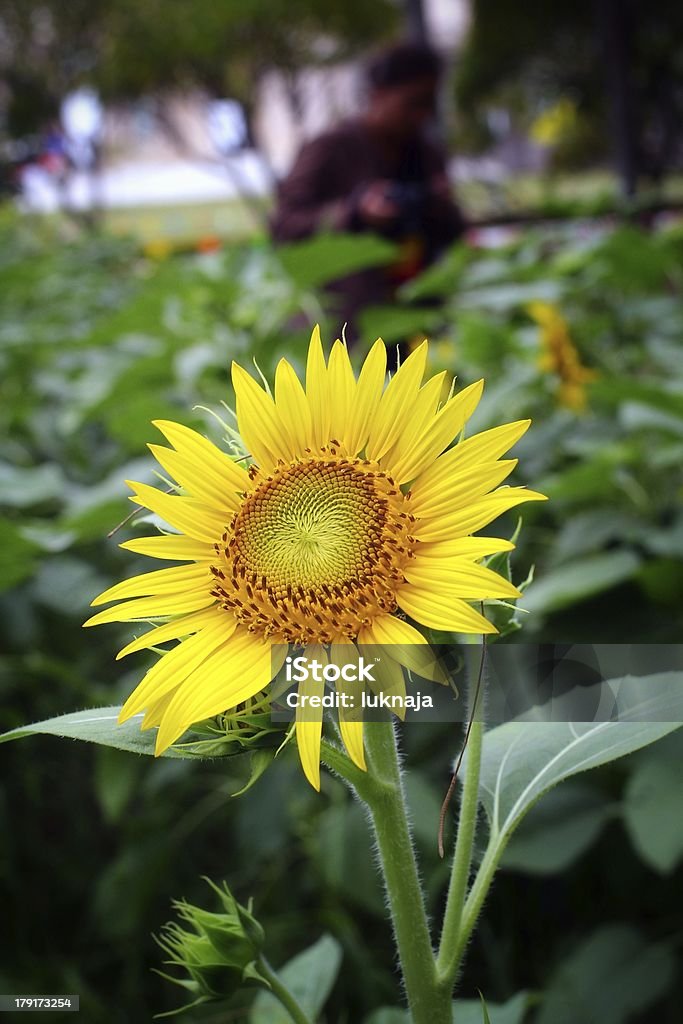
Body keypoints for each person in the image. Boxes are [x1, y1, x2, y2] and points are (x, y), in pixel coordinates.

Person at [271, 40, 466, 340]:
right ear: (379, 94)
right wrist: (354, 213)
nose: (422, 115)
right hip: (349, 323)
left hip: (418, 313)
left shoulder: (426, 153)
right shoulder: (330, 148)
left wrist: (441, 206)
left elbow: (454, 232)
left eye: (429, 104)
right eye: (413, 102)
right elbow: (284, 224)